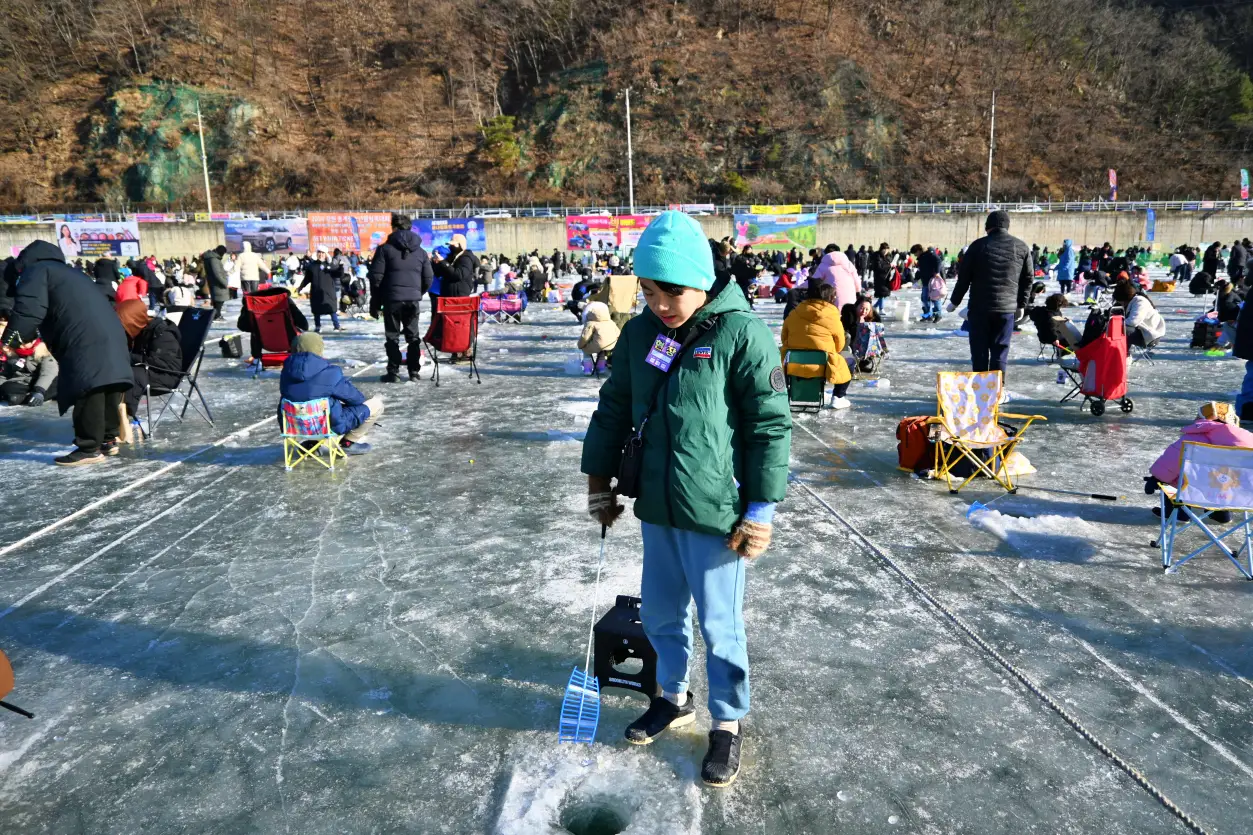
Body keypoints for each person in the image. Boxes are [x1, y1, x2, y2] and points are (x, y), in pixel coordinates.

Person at [581, 210, 791, 789]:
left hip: (718, 514)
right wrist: (599, 481)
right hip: (657, 506)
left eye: (671, 290)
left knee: (720, 626)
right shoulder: (643, 333)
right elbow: (615, 405)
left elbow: (770, 428)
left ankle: (728, 723)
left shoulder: (741, 334)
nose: (659, 303)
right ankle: (672, 696)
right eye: (648, 291)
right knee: (664, 613)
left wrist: (761, 510)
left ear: (701, 278)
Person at [0, 241, 132, 465]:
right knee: (108, 385)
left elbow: (28, 312)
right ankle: (108, 441)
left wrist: (10, 340)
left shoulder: (37, 272)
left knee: (87, 387)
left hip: (83, 338)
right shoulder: (70, 272)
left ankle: (89, 448)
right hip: (112, 334)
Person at [947, 210, 1032, 377]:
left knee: (979, 349)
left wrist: (955, 301)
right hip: (1006, 309)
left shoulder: (978, 246)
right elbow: (1028, 279)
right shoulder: (1021, 247)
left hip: (980, 308)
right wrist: (1021, 304)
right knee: (1000, 350)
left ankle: (981, 388)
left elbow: (964, 277)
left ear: (988, 227)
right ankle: (997, 389)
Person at [280, 332, 382, 454]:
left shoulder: (286, 373)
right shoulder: (330, 372)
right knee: (376, 404)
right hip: (327, 425)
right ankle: (348, 442)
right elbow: (357, 399)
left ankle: (313, 443)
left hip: (296, 425)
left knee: (310, 404)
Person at [1148, 402, 1253, 521]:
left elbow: (1171, 463)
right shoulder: (1249, 441)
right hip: (1236, 493)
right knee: (1225, 479)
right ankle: (1221, 514)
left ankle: (1178, 513)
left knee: (1174, 478)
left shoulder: (1193, 439)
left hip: (1195, 490)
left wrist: (1156, 478)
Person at [369, 214, 432, 383]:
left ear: (394, 228)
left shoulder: (384, 249)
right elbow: (428, 278)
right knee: (413, 337)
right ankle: (413, 371)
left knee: (392, 336)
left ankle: (394, 371)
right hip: (412, 300)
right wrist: (417, 292)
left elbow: (376, 278)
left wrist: (376, 301)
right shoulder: (420, 251)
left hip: (392, 299)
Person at [780, 280, 852, 409]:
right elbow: (839, 345)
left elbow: (784, 338)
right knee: (850, 359)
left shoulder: (794, 313)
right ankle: (838, 397)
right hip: (822, 367)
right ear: (830, 297)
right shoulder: (832, 316)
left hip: (792, 365)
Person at [116, 299, 182, 424]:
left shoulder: (162, 334)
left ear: (134, 321)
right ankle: (111, 411)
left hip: (166, 375)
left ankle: (126, 417)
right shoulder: (141, 330)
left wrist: (130, 357)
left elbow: (162, 363)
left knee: (133, 374)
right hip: (150, 370)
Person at [0, 332, 57, 407]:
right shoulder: (12, 352)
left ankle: (28, 398)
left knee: (56, 385)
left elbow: (48, 373)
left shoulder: (43, 352)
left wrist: (39, 391)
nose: (21, 345)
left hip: (41, 383)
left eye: (25, 342)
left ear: (33, 341)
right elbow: (4, 375)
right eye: (19, 342)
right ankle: (23, 398)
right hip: (23, 383)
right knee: (7, 388)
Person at [299, 246, 341, 333]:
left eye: (323, 253)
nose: (321, 255)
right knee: (316, 310)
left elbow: (338, 274)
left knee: (331, 309)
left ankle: (336, 326)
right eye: (319, 252)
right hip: (316, 291)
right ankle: (318, 326)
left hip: (328, 291)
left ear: (326, 254)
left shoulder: (330, 265)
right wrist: (300, 287)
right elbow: (307, 279)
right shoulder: (312, 266)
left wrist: (341, 267)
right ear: (317, 253)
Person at [1113, 280, 1165, 350]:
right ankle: (1122, 354)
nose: (1121, 304)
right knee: (1117, 329)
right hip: (1142, 332)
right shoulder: (1131, 302)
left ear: (1125, 298)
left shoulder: (1140, 301)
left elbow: (1133, 322)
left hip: (1150, 335)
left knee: (1118, 330)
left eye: (1121, 302)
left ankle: (1122, 354)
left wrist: (1114, 323)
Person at [577, 301, 620, 376]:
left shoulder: (591, 323)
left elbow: (585, 337)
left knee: (586, 352)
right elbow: (618, 333)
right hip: (610, 345)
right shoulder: (610, 322)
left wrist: (580, 345)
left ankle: (588, 370)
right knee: (602, 352)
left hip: (598, 345)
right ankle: (601, 369)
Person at [812, 245, 859, 313]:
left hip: (832, 299)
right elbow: (857, 281)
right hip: (850, 299)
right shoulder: (849, 264)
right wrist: (858, 290)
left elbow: (813, 281)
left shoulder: (823, 265)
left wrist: (798, 287)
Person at [432, 233, 479, 298]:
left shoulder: (466, 258)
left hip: (459, 296)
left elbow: (458, 275)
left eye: (453, 245)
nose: (450, 247)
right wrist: (436, 262)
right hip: (447, 295)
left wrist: (443, 262)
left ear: (460, 245)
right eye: (450, 245)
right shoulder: (451, 257)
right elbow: (439, 273)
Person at [912, 244, 942, 322]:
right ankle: (928, 315)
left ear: (919, 250)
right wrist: (916, 278)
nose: (915, 255)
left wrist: (937, 272)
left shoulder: (930, 253)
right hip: (925, 281)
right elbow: (920, 269)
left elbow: (938, 261)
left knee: (935, 298)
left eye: (915, 253)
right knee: (925, 298)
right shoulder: (921, 257)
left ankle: (938, 314)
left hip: (933, 280)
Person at [202, 245, 230, 320]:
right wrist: (224, 283)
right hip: (217, 284)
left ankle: (216, 315)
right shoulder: (214, 260)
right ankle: (217, 316)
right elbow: (217, 273)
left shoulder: (211, 258)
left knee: (217, 300)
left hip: (214, 282)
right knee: (219, 300)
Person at [870, 242, 893, 313]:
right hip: (879, 278)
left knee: (885, 294)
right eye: (884, 249)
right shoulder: (877, 256)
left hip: (887, 278)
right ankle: (881, 309)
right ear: (881, 249)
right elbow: (878, 267)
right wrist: (889, 266)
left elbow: (890, 266)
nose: (885, 251)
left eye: (886, 249)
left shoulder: (888, 256)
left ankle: (875, 306)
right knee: (881, 294)